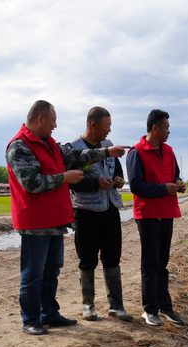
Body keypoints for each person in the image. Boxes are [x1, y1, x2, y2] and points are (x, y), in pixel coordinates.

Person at [6, 100, 128, 336]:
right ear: (40, 119)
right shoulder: (20, 146)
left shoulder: (50, 144)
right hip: (34, 222)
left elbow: (78, 155)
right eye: (53, 120)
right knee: (32, 274)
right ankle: (31, 319)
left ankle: (49, 313)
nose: (55, 125)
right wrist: (65, 178)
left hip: (55, 219)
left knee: (52, 270)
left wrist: (107, 152)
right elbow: (32, 183)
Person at [67, 107, 132, 322]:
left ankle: (116, 305)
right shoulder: (73, 149)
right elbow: (73, 180)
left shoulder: (108, 145)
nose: (109, 130)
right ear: (93, 125)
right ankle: (88, 305)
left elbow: (117, 170)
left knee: (112, 257)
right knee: (87, 259)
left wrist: (118, 180)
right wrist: (96, 182)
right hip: (85, 211)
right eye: (107, 125)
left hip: (110, 208)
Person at [126, 109, 186, 326]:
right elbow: (136, 186)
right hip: (148, 215)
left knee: (163, 262)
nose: (169, 131)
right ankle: (149, 310)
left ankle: (165, 306)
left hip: (167, 213)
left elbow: (175, 175)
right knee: (150, 263)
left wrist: (179, 184)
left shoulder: (169, 151)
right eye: (167, 127)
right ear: (155, 128)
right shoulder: (136, 153)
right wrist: (163, 189)